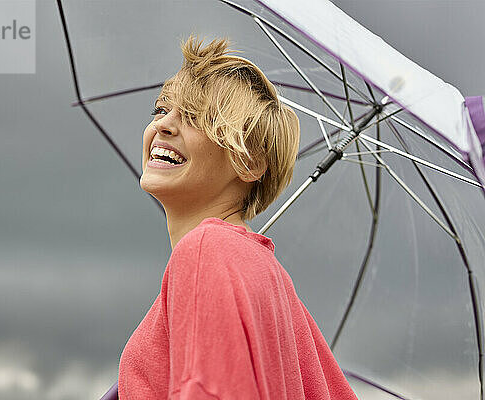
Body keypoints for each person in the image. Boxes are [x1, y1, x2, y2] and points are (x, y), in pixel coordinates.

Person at [116, 34, 358, 399]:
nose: (164, 125)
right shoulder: (269, 278)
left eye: (196, 116)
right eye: (161, 109)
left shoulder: (206, 250)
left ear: (248, 162)